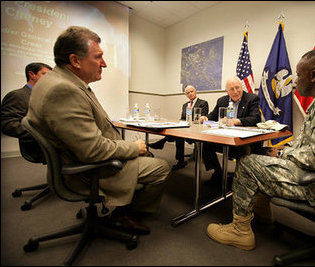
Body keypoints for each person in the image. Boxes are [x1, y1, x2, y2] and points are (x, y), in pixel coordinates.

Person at [206, 48, 315, 250]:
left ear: (313, 75)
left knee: (248, 163)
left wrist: (285, 153)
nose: (295, 81)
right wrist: (283, 151)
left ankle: (240, 231)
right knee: (266, 158)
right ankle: (262, 213)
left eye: (298, 74)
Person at [26, 26, 171, 235]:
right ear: (75, 60)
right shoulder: (63, 89)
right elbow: (93, 151)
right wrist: (132, 148)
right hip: (89, 170)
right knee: (161, 168)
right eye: (99, 57)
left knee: (145, 153)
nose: (104, 63)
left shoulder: (58, 81)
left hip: (78, 160)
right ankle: (125, 215)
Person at [200, 76, 261, 185]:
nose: (236, 91)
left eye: (238, 88)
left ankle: (242, 178)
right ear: (227, 91)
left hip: (243, 141)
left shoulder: (252, 98)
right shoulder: (222, 100)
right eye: (231, 89)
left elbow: (255, 118)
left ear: (241, 87)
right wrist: (206, 118)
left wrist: (235, 121)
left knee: (244, 150)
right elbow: (213, 115)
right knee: (205, 143)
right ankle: (218, 172)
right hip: (225, 138)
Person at [149, 85, 209, 170]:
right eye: (188, 93)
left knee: (178, 135)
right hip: (185, 128)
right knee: (178, 134)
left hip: (196, 129)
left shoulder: (203, 103)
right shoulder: (185, 105)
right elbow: (182, 118)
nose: (190, 94)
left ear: (195, 91)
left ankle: (162, 142)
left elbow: (202, 118)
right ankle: (180, 161)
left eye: (191, 91)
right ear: (186, 95)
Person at [1, 62, 52, 161]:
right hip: (39, 145)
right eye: (45, 75)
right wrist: (42, 133)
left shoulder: (48, 97)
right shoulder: (17, 95)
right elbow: (7, 124)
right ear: (32, 74)